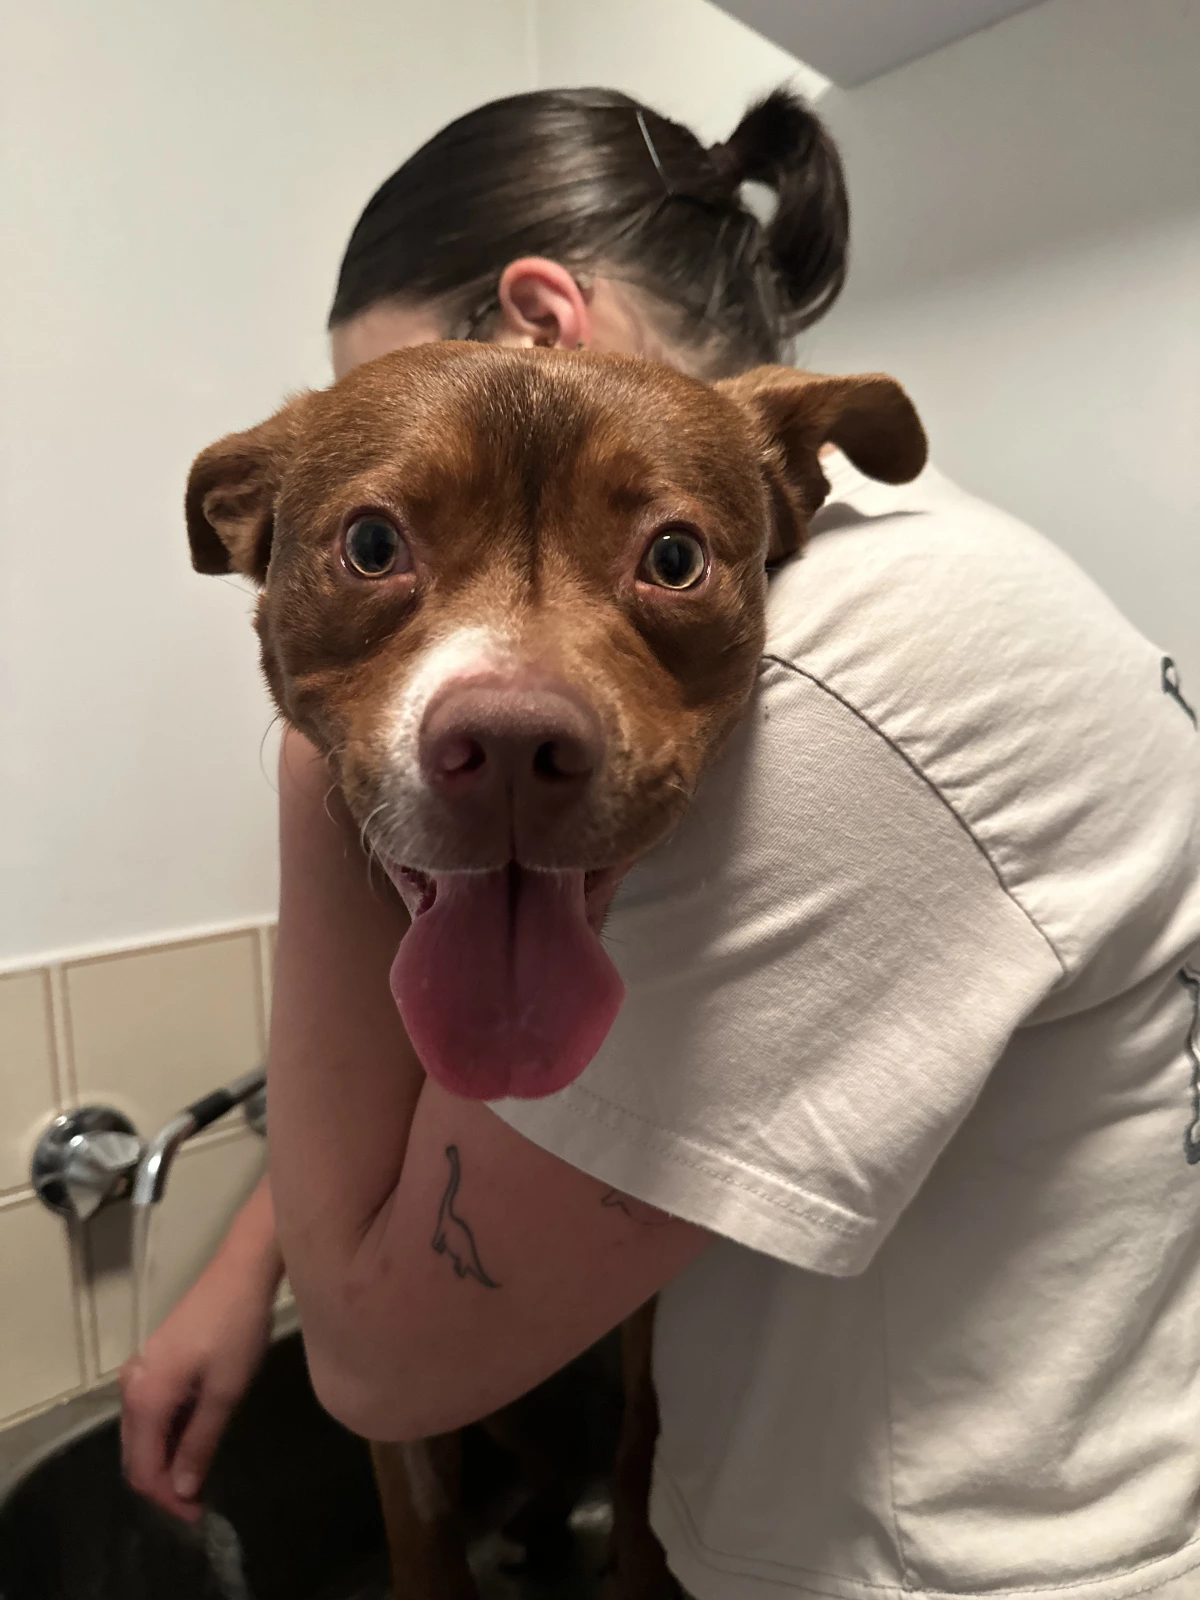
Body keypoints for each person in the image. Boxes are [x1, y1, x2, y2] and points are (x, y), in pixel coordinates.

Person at [121, 84, 1200, 1600]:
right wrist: (249, 1262)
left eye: (673, 559)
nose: (509, 695)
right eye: (374, 542)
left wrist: (313, 753)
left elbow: (377, 1361)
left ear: (537, 329)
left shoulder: (852, 671)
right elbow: (468, 1087)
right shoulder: (926, 571)